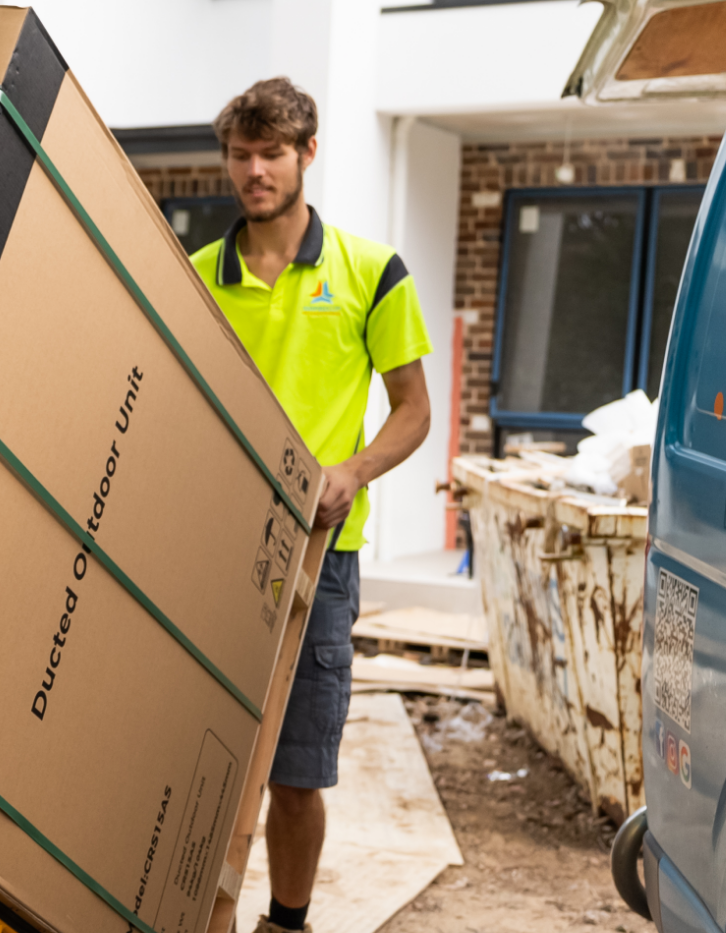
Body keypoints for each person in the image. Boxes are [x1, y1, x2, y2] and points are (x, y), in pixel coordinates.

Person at [188, 77, 434, 933]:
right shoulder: (195, 278)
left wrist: (354, 468)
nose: (255, 170)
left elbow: (414, 410)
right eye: (241, 154)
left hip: (319, 564)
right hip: (210, 555)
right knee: (191, 758)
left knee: (296, 774)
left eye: (272, 153)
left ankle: (285, 923)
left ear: (307, 156)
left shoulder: (371, 272)